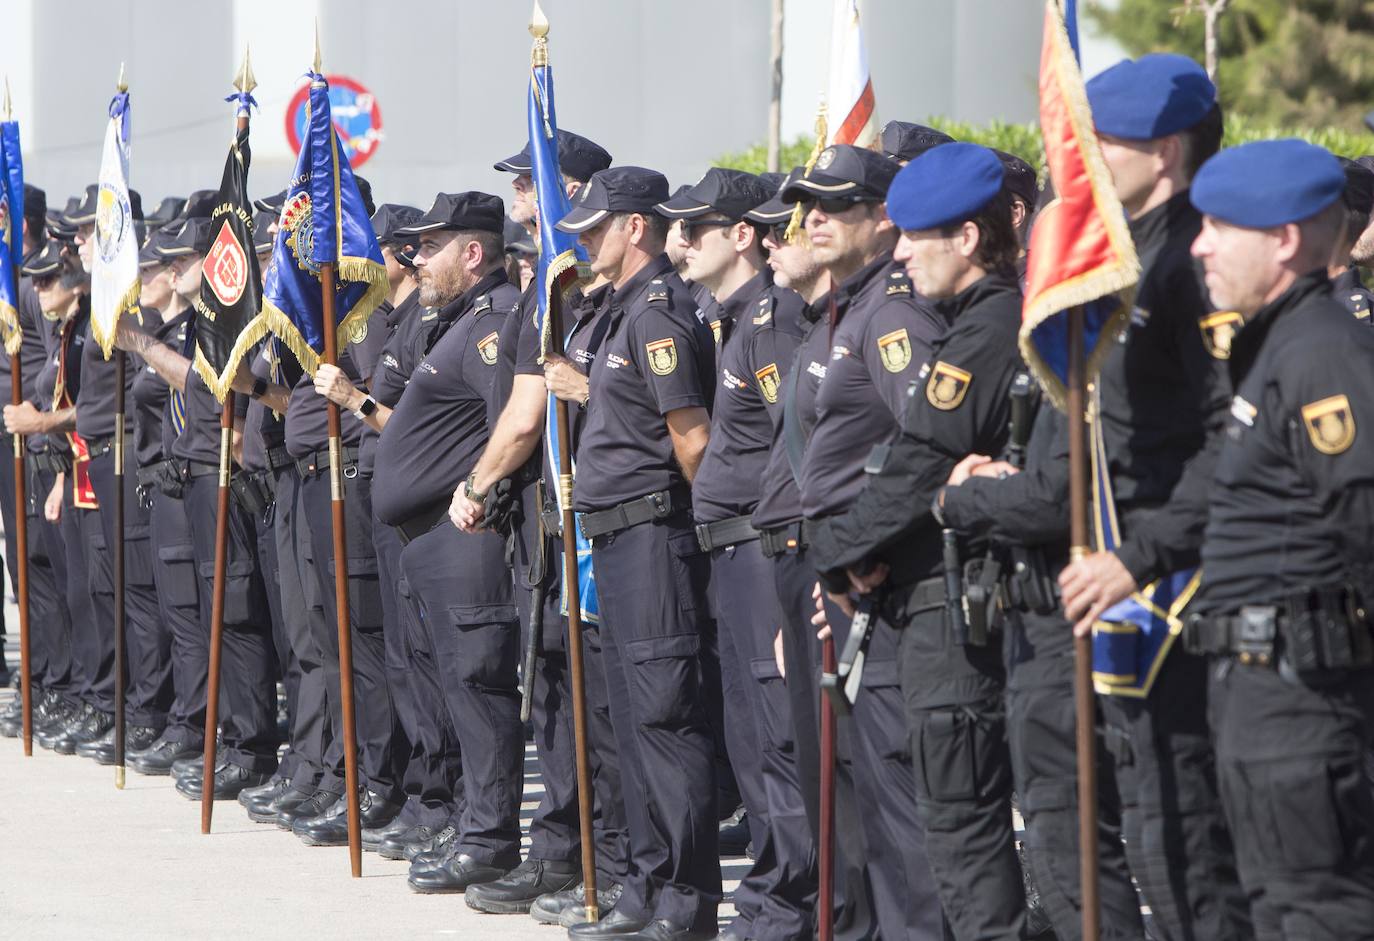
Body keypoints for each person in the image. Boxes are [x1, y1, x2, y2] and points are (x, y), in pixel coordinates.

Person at [1051, 53, 1252, 941]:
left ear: (1165, 149)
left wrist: (1138, 558)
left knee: (1195, 864)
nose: (1083, 154)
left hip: (1186, 599)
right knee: (1156, 848)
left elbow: (1233, 444)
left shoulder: (1194, 264)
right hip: (1132, 592)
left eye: (1104, 139)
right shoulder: (1132, 254)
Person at [1183, 138, 1374, 939]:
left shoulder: (1323, 350)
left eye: (1220, 226)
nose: (1200, 245)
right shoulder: (1278, 345)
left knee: (1315, 916)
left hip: (1306, 701)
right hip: (1264, 698)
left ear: (1285, 240)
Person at [449, 130, 627, 919]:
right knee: (552, 685)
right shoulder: (543, 282)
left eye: (532, 185)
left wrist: (478, 483)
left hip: (567, 512)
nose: (522, 199)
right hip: (540, 515)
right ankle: (564, 844)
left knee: (580, 691)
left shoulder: (565, 282)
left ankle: (592, 852)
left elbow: (527, 414)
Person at [778, 144, 948, 939]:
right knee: (863, 801)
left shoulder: (893, 315)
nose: (812, 218)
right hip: (843, 578)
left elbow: (929, 443)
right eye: (807, 204)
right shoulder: (850, 306)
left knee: (899, 805)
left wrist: (859, 553)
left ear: (885, 219)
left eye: (833, 205)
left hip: (884, 588)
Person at [552, 166, 720, 941]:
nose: (584, 241)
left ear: (636, 227)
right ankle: (645, 886)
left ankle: (684, 901)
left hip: (656, 535)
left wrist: (705, 533)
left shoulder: (657, 314)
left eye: (596, 228)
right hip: (615, 537)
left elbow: (692, 440)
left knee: (663, 719)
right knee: (628, 721)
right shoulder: (619, 312)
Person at [656, 166, 816, 940]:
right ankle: (773, 890)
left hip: (761, 547)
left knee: (776, 741)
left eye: (695, 227)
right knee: (751, 740)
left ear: (741, 235)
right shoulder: (733, 318)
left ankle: (787, 903)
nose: (678, 241)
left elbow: (798, 441)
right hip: (732, 551)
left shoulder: (772, 319)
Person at [369, 192, 524, 893]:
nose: (416, 258)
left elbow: (510, 426)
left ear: (472, 251)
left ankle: (490, 837)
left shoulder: (492, 324)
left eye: (431, 247)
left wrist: (482, 494)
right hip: (428, 542)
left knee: (480, 692)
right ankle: (467, 822)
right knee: (451, 695)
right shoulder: (454, 322)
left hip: (466, 539)